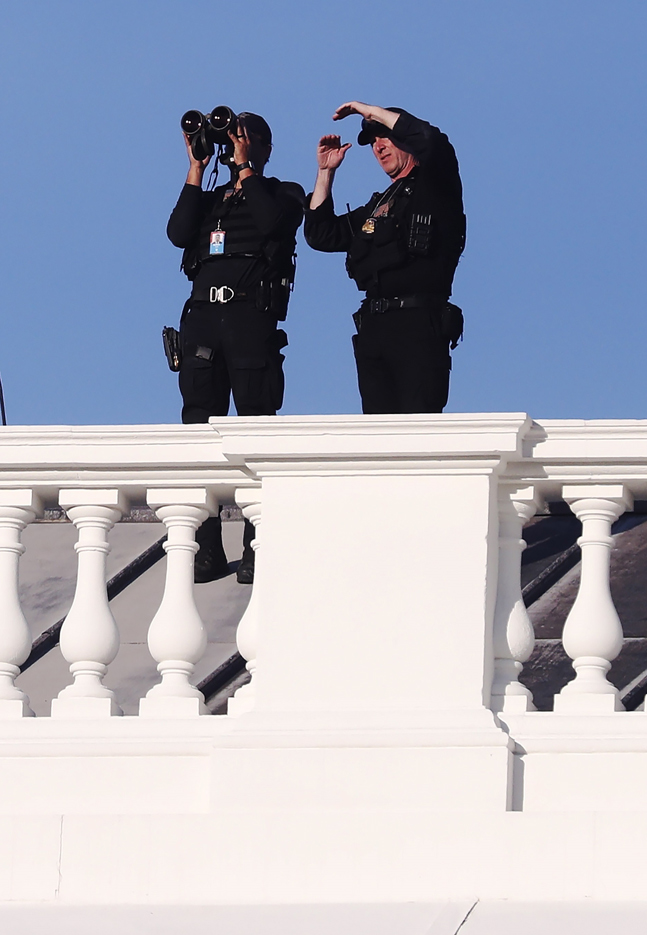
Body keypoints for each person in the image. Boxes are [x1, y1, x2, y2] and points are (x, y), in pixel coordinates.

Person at [166, 111, 305, 584]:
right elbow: (177, 233)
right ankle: (205, 547)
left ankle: (255, 545)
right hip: (203, 320)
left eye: (243, 139)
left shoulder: (283, 193)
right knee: (198, 431)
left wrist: (246, 170)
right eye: (230, 139)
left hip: (250, 318)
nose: (233, 145)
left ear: (265, 148)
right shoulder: (210, 200)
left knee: (255, 430)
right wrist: (196, 167)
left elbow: (272, 224)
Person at [304, 101, 466, 414]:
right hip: (374, 329)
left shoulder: (436, 184)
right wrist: (326, 172)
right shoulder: (378, 206)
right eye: (372, 142)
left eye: (385, 137)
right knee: (378, 432)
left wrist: (369, 111)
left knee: (417, 428)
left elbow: (432, 141)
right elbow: (320, 235)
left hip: (419, 324)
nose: (378, 147)